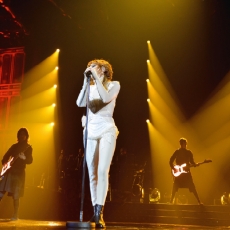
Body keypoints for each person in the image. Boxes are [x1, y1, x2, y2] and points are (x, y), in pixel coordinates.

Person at [76, 59, 120, 228]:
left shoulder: (114, 85)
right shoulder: (91, 87)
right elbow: (80, 103)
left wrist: (95, 76)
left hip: (107, 129)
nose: (90, 68)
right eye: (89, 66)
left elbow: (106, 97)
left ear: (102, 69)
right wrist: (85, 82)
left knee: (102, 170)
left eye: (93, 66)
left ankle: (99, 212)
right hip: (90, 131)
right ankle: (95, 212)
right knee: (92, 173)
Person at [0, 127, 33, 220]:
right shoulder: (14, 146)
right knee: (1, 191)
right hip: (9, 172)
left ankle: (15, 215)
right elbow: (5, 157)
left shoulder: (28, 148)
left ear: (26, 136)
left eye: (24, 134)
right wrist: (5, 164)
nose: (22, 136)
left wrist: (25, 159)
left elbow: (30, 160)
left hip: (19, 174)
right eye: (20, 134)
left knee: (16, 195)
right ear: (18, 136)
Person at [169, 138, 202, 205]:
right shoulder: (177, 152)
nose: (183, 145)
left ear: (185, 144)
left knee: (192, 186)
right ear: (181, 144)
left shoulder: (189, 152)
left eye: (183, 143)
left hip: (186, 172)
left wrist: (195, 164)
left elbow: (192, 162)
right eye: (182, 144)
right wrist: (174, 168)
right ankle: (171, 201)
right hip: (179, 173)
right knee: (175, 186)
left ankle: (199, 201)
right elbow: (171, 161)